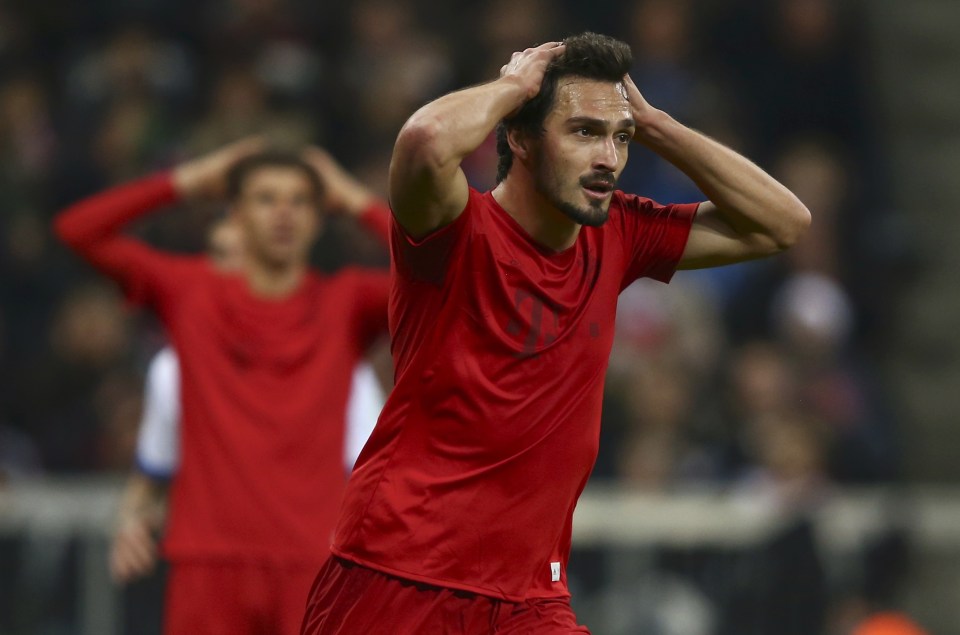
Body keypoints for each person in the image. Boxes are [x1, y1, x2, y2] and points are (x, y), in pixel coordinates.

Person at [301, 32, 810, 634]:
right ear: (519, 136)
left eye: (619, 139)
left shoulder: (620, 233)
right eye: (584, 132)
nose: (610, 158)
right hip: (398, 573)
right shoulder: (454, 229)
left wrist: (655, 124)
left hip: (531, 598)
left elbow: (783, 224)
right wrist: (514, 87)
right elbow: (425, 141)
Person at [55, 139, 392, 635]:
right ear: (234, 214)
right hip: (208, 564)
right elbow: (77, 231)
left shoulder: (347, 304)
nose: (284, 213)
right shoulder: (189, 292)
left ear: (321, 217)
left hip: (312, 564)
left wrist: (357, 199)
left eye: (300, 201)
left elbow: (452, 270)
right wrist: (186, 181)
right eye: (266, 198)